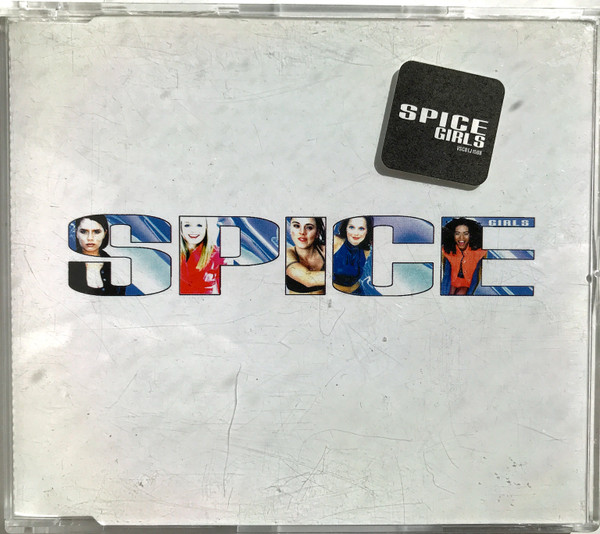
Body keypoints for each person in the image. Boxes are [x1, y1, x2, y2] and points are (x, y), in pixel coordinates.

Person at [68, 215, 125, 295]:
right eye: (83, 232)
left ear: (105, 233)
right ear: (76, 233)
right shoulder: (68, 265)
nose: (90, 238)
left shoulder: (116, 266)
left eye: (96, 232)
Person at [441, 217, 487, 295]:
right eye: (457, 233)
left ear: (471, 235)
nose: (461, 238)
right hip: (451, 282)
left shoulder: (479, 252)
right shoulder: (447, 250)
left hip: (466, 284)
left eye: (465, 234)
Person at [180, 216, 225, 294]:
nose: (193, 230)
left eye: (199, 225)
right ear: (181, 229)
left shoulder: (217, 255)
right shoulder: (174, 252)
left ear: (206, 229)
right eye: (187, 225)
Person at [333, 216, 376, 295]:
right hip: (336, 294)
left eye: (361, 228)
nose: (356, 233)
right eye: (351, 227)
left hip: (358, 293)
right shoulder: (335, 241)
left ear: (367, 231)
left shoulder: (366, 250)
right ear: (346, 228)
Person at [285, 217, 326, 295]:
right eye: (297, 226)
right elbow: (308, 279)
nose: (302, 232)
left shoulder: (327, 251)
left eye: (309, 227)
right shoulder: (286, 254)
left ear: (317, 233)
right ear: (290, 230)